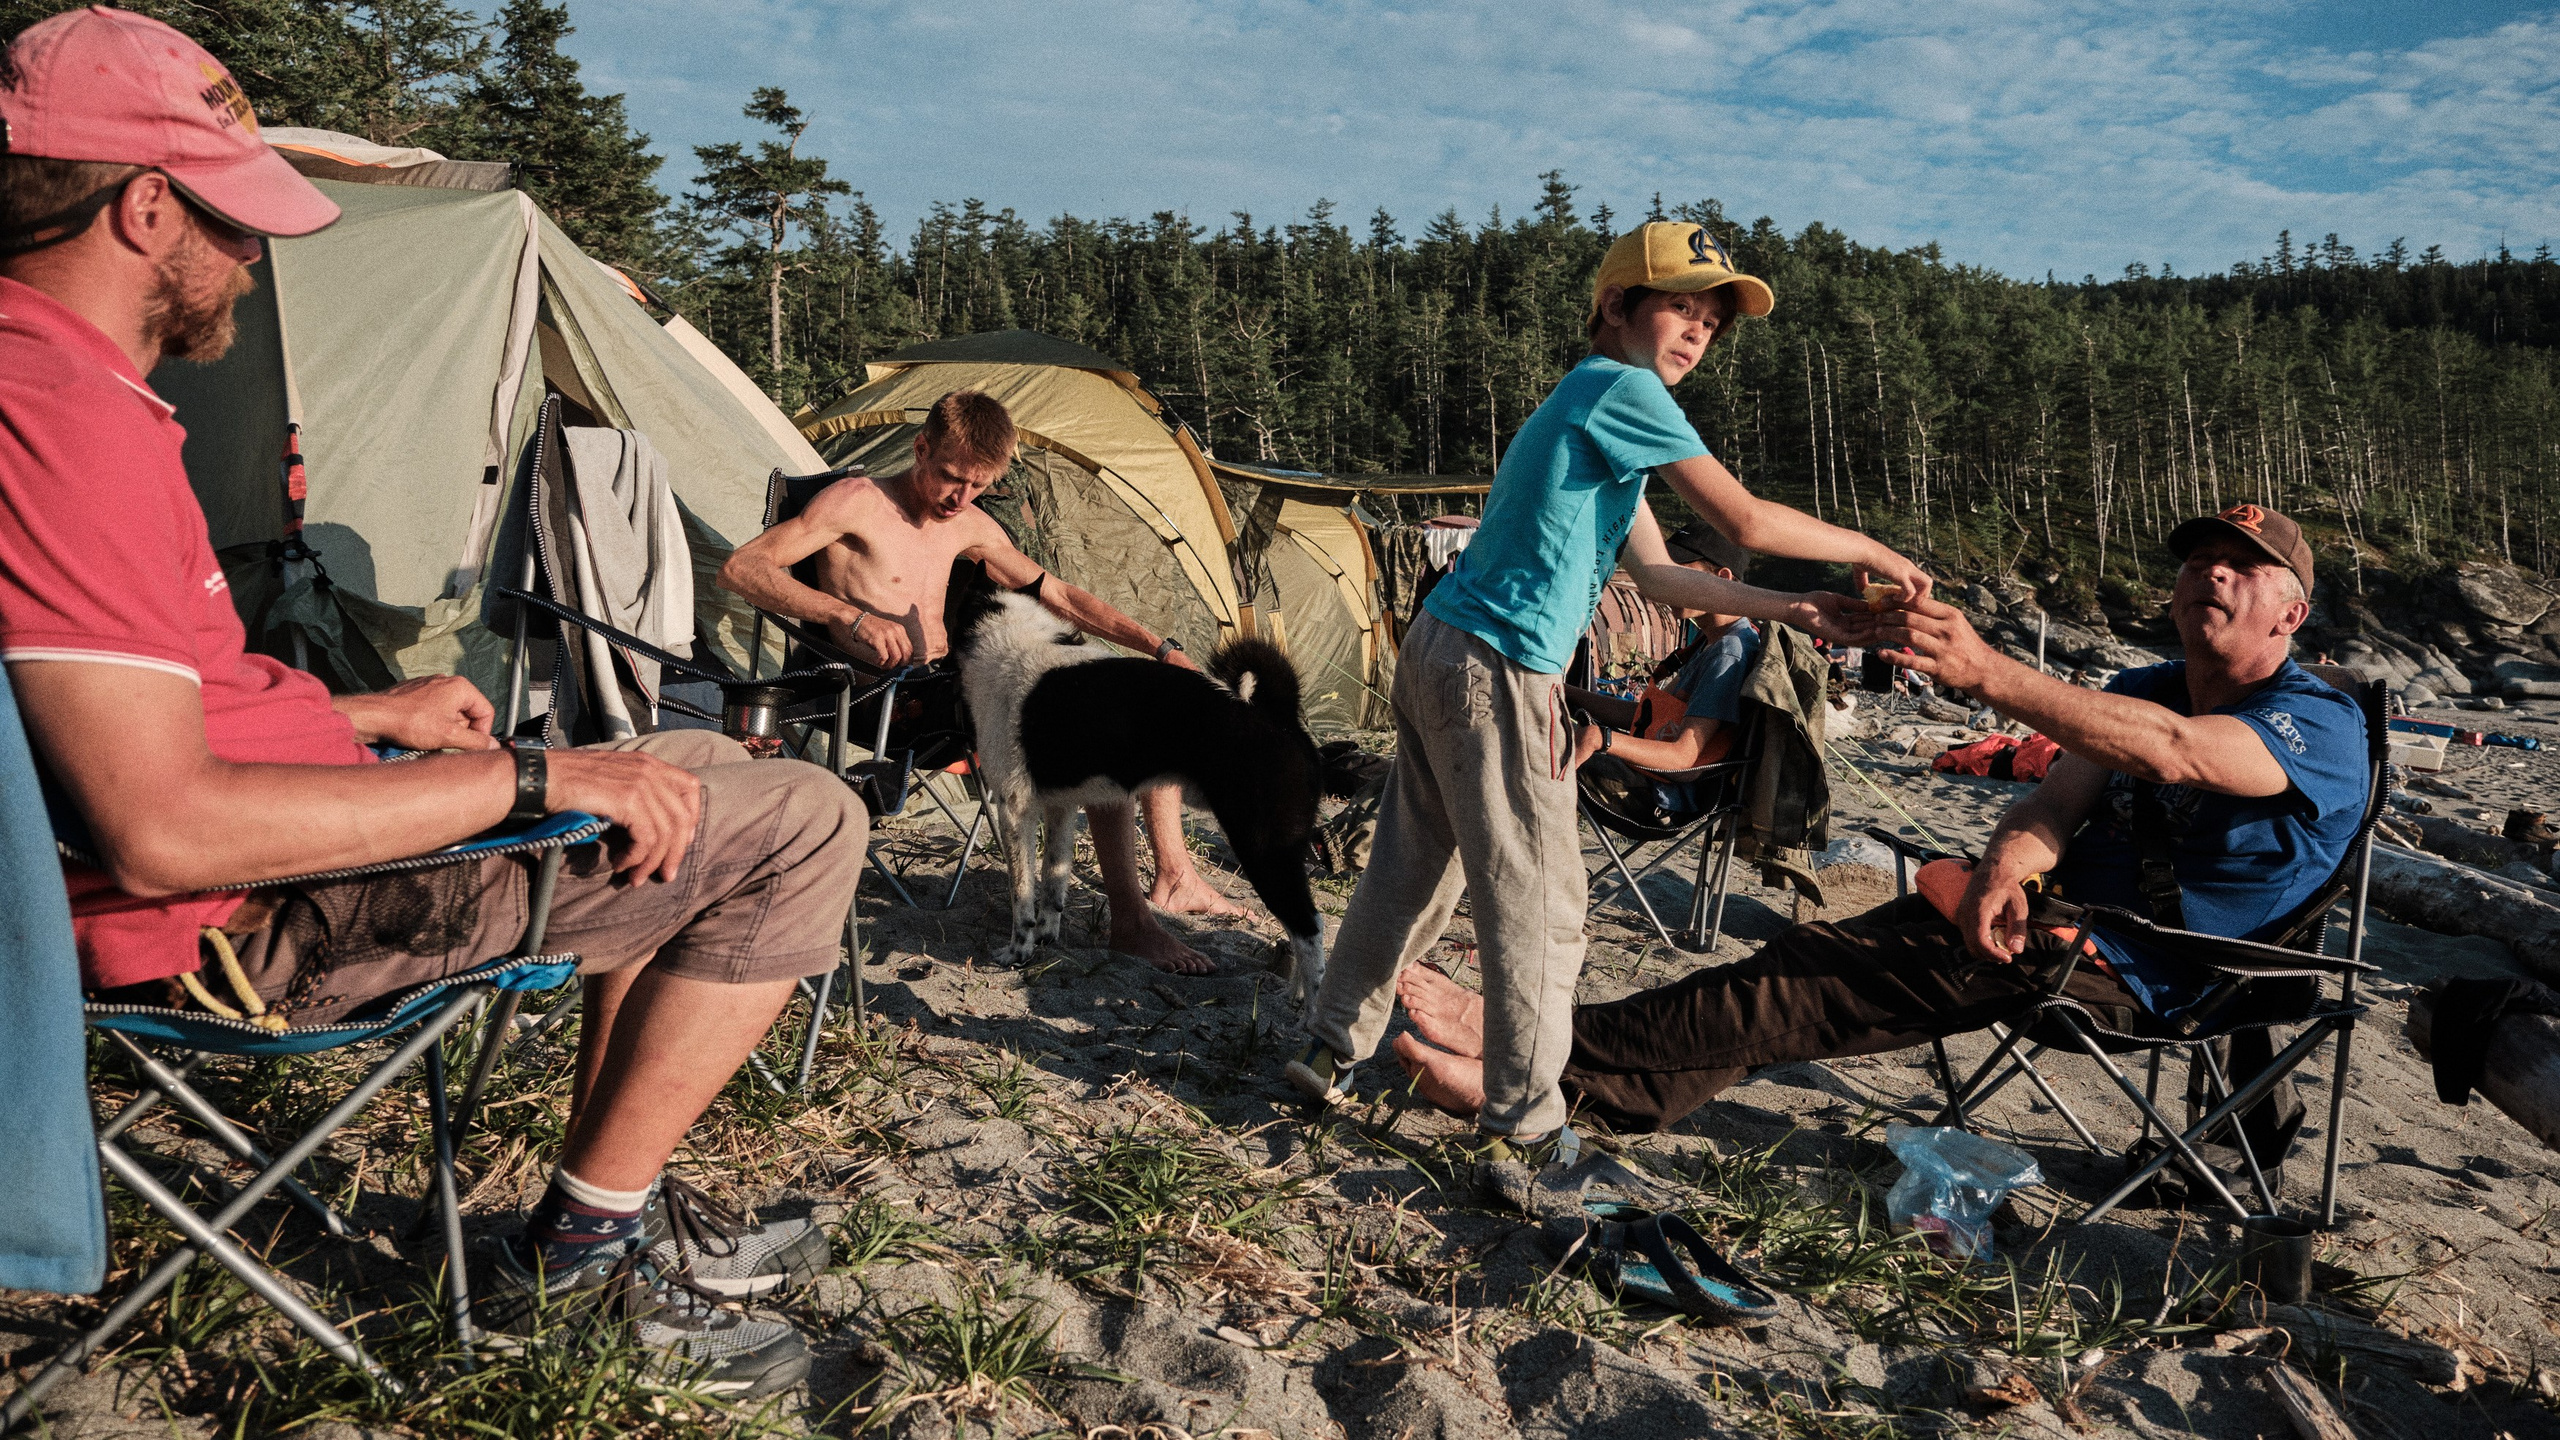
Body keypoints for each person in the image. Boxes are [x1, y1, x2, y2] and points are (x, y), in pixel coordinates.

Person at [0, 10, 853, 1397]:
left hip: (252, 864)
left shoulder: (59, 383)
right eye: (232, 221)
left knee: (679, 764)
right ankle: (578, 1257)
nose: (253, 254)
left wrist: (371, 721)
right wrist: (534, 785)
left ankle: (609, 1212)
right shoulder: (60, 418)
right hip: (241, 928)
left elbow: (149, 706)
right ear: (144, 206)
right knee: (801, 816)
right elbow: (161, 828)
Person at [1390, 507, 2363, 1181]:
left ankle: (1537, 1059)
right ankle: (1556, 1068)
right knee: (1809, 974)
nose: (2212, 574)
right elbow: (2052, 806)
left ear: (2291, 612)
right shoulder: (2148, 685)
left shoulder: (2316, 722)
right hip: (2052, 924)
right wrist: (2006, 867)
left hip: (2162, 970)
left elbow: (2184, 756)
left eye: (2244, 565)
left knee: (1810, 979)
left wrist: (1986, 673)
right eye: (2199, 560)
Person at [1284, 220, 1930, 1165]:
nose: (1698, 332)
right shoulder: (1621, 388)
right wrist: (1875, 552)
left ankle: (1330, 1044)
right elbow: (1742, 514)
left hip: (1442, 645)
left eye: (1712, 321)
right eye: (1681, 307)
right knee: (1544, 904)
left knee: (1416, 868)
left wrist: (1793, 607)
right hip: (1502, 664)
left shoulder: (1591, 403)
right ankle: (1527, 1127)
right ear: (1617, 306)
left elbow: (1663, 578)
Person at [714, 391, 1240, 975]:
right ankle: (1133, 924)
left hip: (951, 693)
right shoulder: (854, 503)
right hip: (874, 699)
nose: (959, 498)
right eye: (950, 478)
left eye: (979, 485)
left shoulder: (968, 523)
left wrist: (1159, 648)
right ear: (920, 448)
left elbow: (1060, 596)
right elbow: (741, 568)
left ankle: (1176, 876)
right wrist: (846, 615)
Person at [1566, 520, 1763, 812]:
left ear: (1722, 578)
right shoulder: (1709, 641)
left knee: (1529, 754)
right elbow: (1648, 721)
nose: (1666, 585)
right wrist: (1565, 693)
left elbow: (1682, 756)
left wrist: (1601, 738)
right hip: (1648, 776)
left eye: (1681, 573)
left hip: (1660, 793)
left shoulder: (1728, 653)